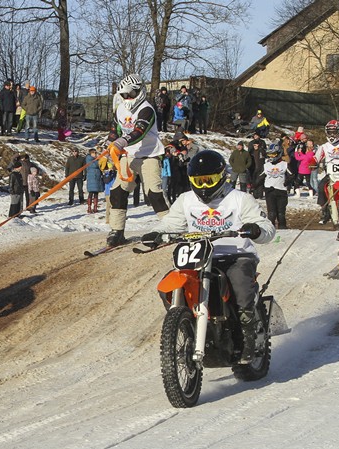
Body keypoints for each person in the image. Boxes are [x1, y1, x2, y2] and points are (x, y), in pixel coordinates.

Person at [143, 149, 275, 362]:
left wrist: (257, 230)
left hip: (235, 255)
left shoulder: (240, 199)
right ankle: (185, 324)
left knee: (241, 288)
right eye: (199, 181)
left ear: (221, 176)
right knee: (171, 284)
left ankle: (249, 340)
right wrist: (157, 233)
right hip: (198, 255)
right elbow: (171, 223)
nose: (204, 186)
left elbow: (265, 226)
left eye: (209, 180)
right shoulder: (186, 200)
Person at [106, 74, 169, 246]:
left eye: (130, 94)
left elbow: (139, 130)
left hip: (150, 154)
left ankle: (171, 228)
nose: (127, 98)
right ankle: (117, 231)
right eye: (124, 95)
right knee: (117, 191)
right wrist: (111, 144)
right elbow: (115, 129)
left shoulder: (147, 109)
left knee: (153, 194)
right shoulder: (119, 109)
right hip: (130, 155)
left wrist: (121, 141)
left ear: (139, 91)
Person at [314, 120, 339, 226]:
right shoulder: (324, 147)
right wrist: (312, 163)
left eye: (334, 132)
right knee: (321, 187)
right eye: (329, 132)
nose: (332, 135)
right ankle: (325, 211)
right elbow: (316, 158)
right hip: (331, 174)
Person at [261, 142, 291, 229]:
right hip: (269, 190)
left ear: (278, 154)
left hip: (281, 191)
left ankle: (283, 228)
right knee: (271, 213)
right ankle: (270, 229)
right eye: (269, 154)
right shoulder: (266, 165)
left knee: (281, 213)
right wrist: (254, 186)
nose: (271, 157)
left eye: (273, 154)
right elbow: (259, 177)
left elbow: (292, 175)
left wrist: (286, 182)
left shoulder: (284, 164)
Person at [85, 149, 104, 213]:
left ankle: (95, 207)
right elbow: (95, 165)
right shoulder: (89, 160)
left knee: (96, 193)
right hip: (92, 178)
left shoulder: (96, 160)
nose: (95, 154)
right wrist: (99, 161)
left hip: (97, 178)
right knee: (91, 193)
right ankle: (89, 207)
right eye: (94, 153)